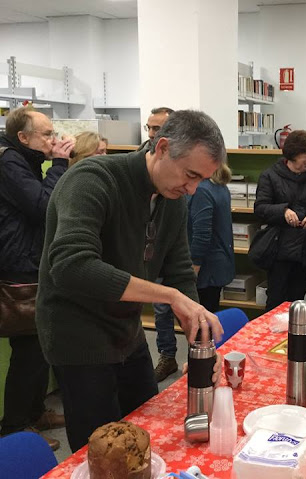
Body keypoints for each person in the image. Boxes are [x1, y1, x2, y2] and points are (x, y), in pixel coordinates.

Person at [36, 110, 224, 452]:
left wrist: (200, 339)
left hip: (127, 333)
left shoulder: (173, 199)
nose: (193, 189)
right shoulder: (92, 179)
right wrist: (168, 296)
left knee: (144, 430)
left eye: (202, 180)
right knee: (103, 450)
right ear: (163, 147)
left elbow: (180, 271)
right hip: (78, 338)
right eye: (191, 175)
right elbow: (70, 265)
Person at [0, 107, 74, 450]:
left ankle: (35, 412)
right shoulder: (9, 163)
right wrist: (59, 164)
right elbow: (44, 206)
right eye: (46, 134)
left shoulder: (23, 160)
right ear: (23, 138)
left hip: (30, 260)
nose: (53, 138)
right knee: (28, 351)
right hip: (18, 267)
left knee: (38, 347)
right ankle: (15, 427)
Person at [254, 130, 306, 311]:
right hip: (279, 250)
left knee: (298, 302)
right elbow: (260, 208)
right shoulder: (270, 176)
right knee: (276, 301)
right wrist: (283, 211)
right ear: (293, 154)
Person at [139, 107, 179, 382]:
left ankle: (169, 356)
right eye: (149, 128)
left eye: (158, 129)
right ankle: (167, 356)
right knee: (162, 308)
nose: (152, 134)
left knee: (167, 306)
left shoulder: (177, 181)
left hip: (165, 255)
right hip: (143, 261)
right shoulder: (134, 168)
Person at [188, 163, 235, 313]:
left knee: (201, 323)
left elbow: (202, 234)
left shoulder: (201, 190)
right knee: (210, 315)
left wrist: (192, 271)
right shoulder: (219, 186)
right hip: (217, 264)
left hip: (204, 268)